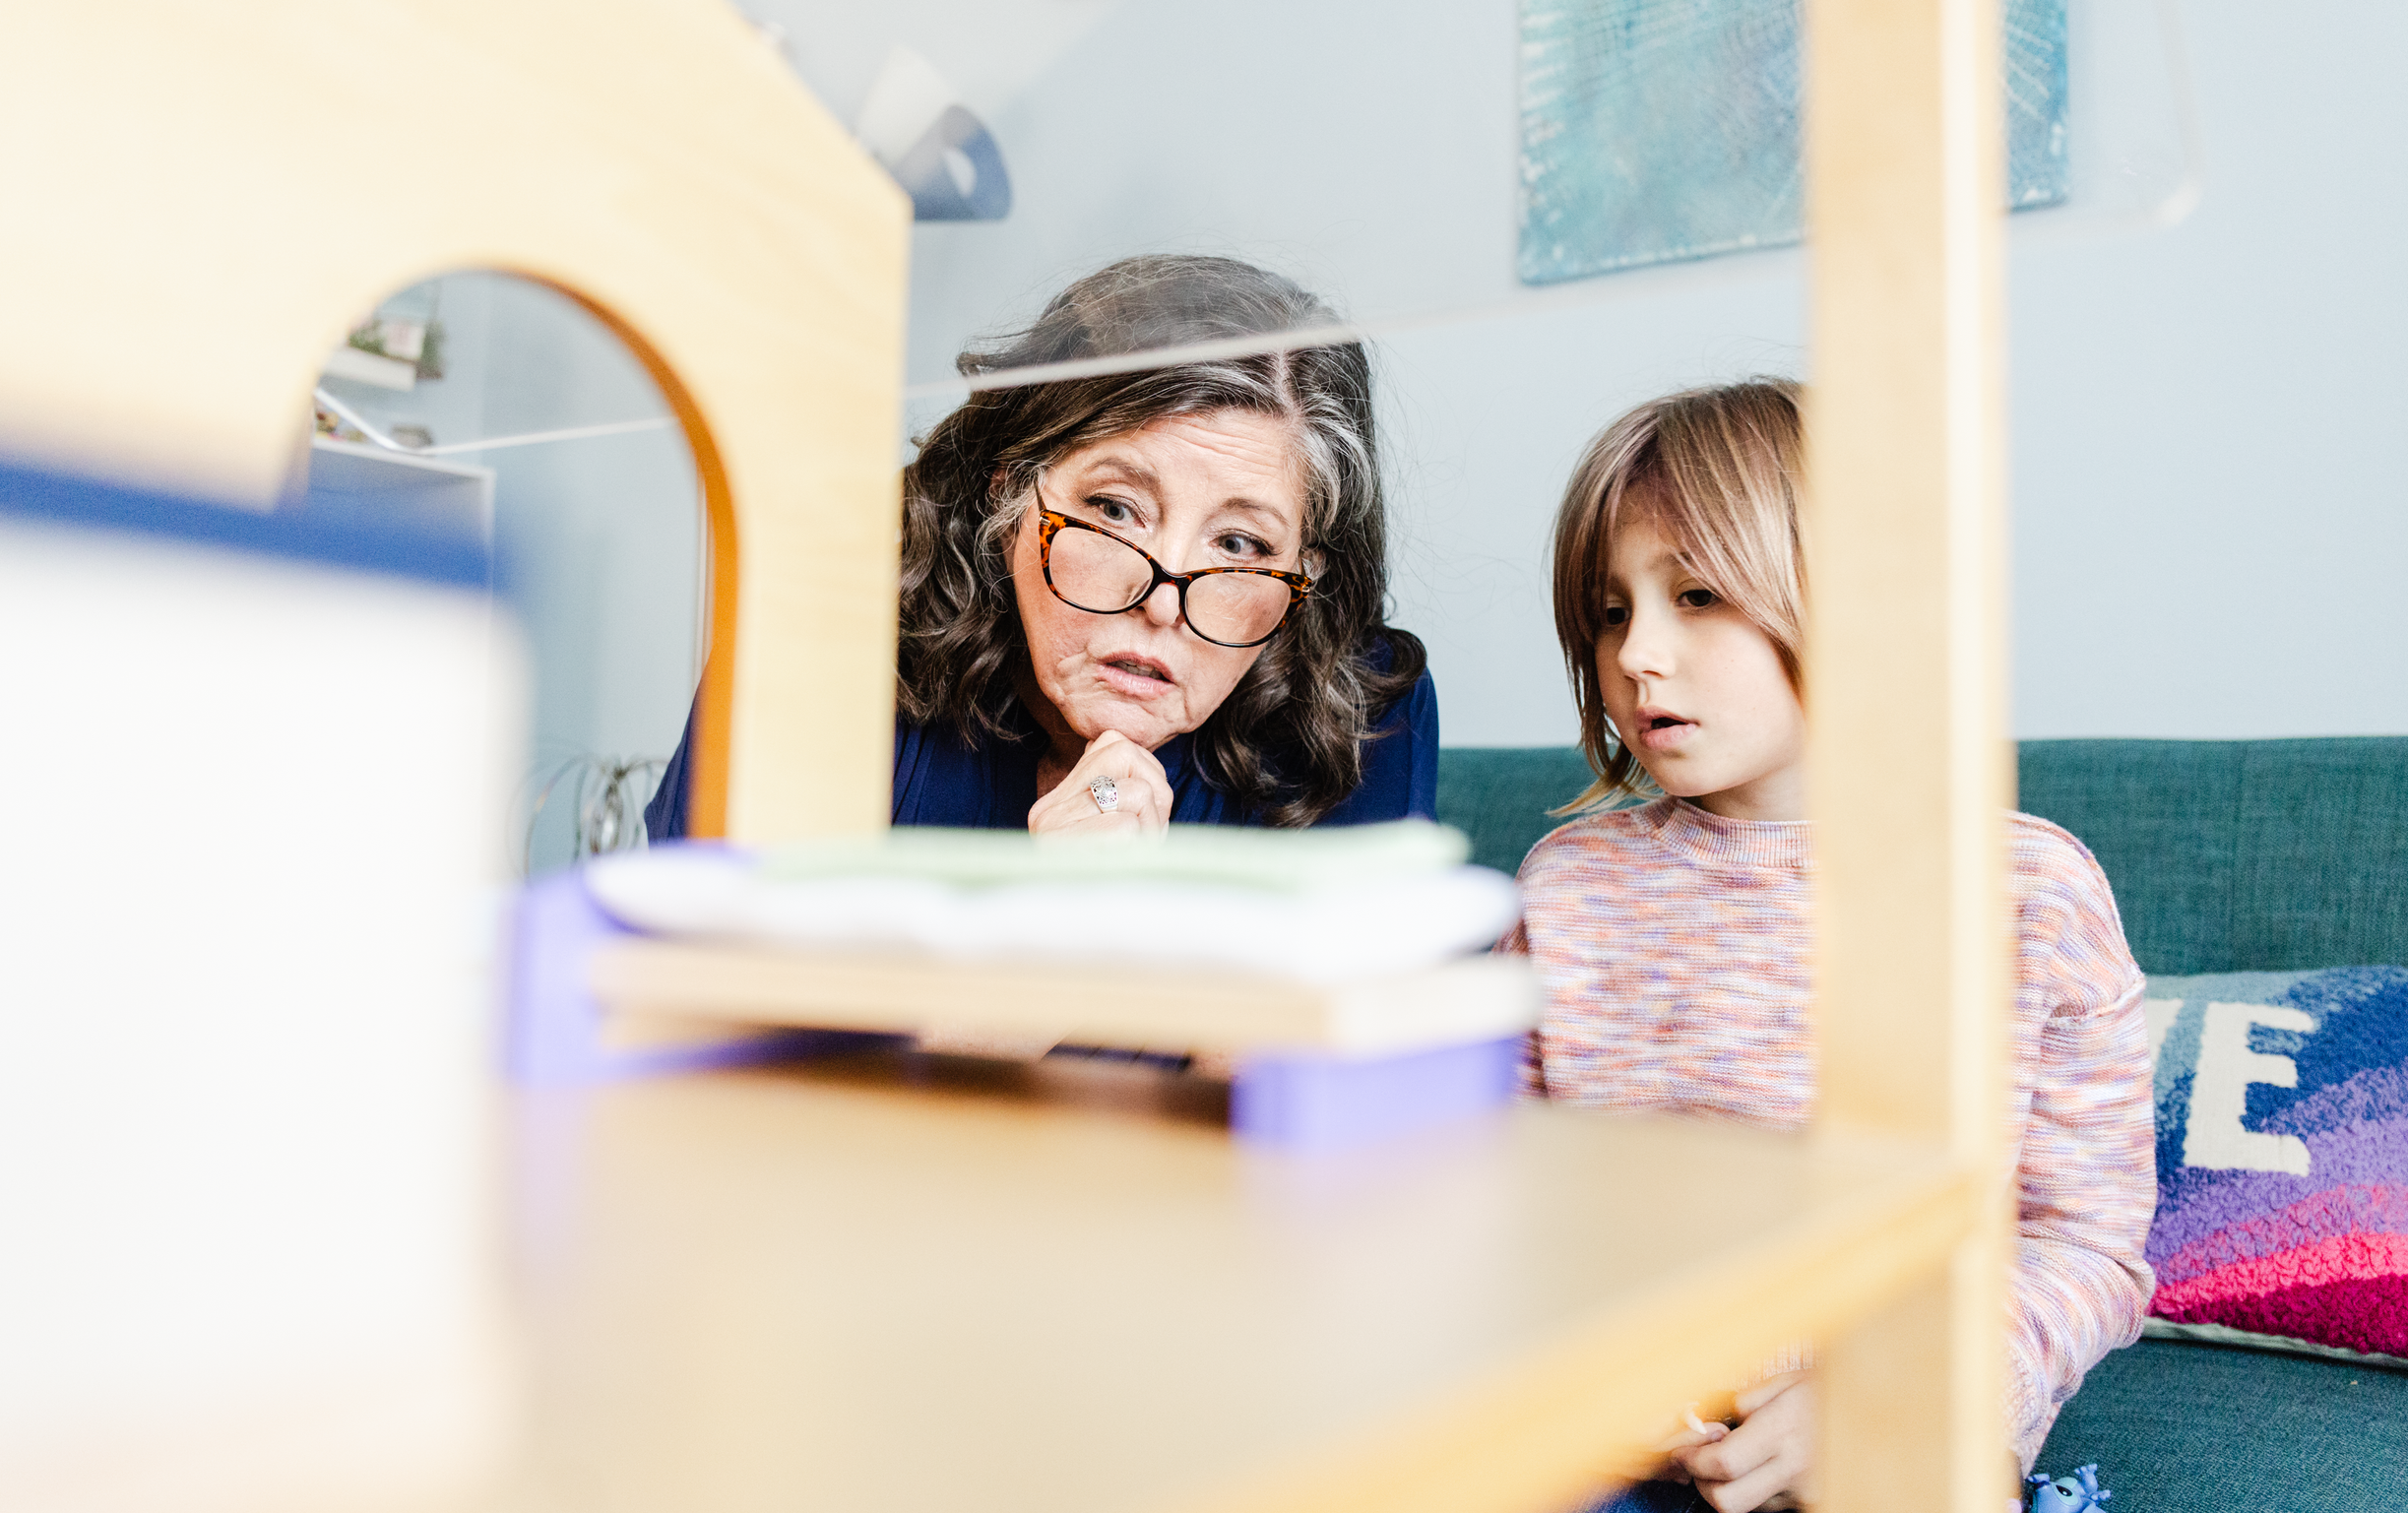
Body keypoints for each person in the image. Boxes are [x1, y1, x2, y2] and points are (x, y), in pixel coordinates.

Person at [1502, 380, 2155, 1513]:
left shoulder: (2027, 888)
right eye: (1610, 611)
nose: (1637, 654)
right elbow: (1495, 1200)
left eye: (1696, 594)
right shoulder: (1566, 884)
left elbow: (2087, 1247)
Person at [645, 254, 1435, 842]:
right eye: (1116, 509)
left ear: (1305, 574)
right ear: (1008, 491)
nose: (1164, 601)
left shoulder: (1358, 704)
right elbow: (692, 1035)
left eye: (1238, 542)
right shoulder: (821, 650)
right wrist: (1046, 926)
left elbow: (1308, 1056)